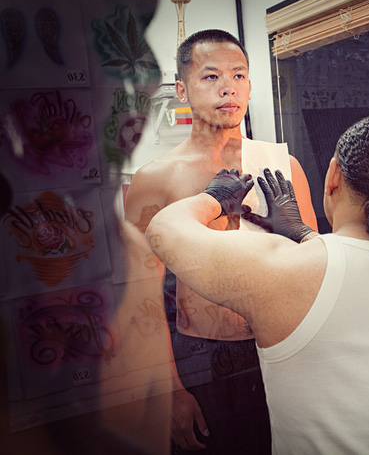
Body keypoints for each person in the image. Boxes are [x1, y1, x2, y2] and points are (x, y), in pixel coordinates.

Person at [146, 114, 369, 454]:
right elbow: (361, 288)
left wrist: (214, 198)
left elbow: (163, 229)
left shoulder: (283, 272)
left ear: (333, 176)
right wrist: (304, 235)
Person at [125, 29, 317, 453]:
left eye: (238, 75)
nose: (228, 87)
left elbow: (318, 272)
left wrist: (298, 235)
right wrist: (169, 390)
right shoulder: (155, 179)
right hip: (200, 357)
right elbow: (140, 296)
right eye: (211, 76)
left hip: (280, 347)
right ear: (182, 89)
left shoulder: (282, 165)